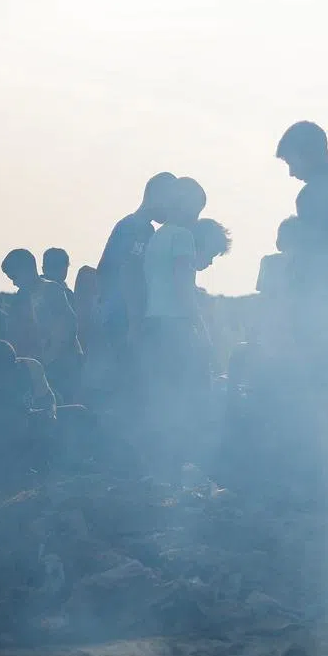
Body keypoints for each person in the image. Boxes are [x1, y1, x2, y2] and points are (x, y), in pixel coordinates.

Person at [141, 178, 210, 473]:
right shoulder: (182, 237)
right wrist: (201, 325)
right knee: (185, 395)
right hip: (176, 325)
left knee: (161, 395)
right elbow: (183, 285)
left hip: (153, 321)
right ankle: (181, 463)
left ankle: (160, 465)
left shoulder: (158, 237)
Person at [96, 172, 177, 359]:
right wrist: (131, 322)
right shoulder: (132, 227)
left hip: (126, 315)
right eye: (170, 201)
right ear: (156, 195)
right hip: (121, 317)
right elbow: (119, 271)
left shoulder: (146, 230)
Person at [275, 121, 328, 283]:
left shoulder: (310, 195)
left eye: (292, 163)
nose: (291, 173)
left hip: (321, 284)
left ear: (308, 155)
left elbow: (309, 254)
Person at [1, 249, 82, 402]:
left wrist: (49, 358)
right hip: (41, 363)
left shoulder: (51, 290)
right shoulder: (22, 296)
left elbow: (69, 326)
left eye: (15, 277)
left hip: (61, 364)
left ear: (26, 270)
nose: (14, 283)